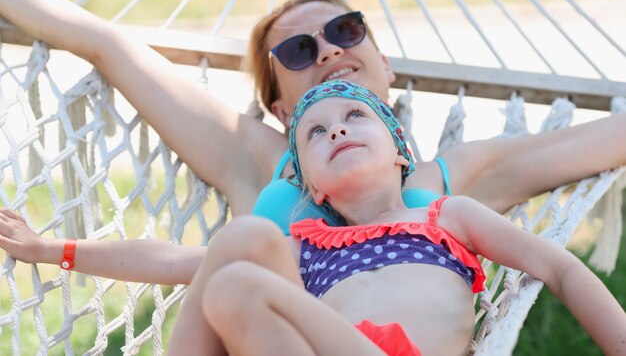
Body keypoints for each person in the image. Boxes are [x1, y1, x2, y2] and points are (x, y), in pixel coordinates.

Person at [1, 80, 624, 356]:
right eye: (317, 133)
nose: (338, 130)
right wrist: (50, 248)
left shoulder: (447, 216)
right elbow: (171, 260)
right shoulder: (304, 246)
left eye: (356, 118)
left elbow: (561, 269)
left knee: (240, 272)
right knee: (244, 243)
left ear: (401, 148)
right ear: (309, 184)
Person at [0, 0, 625, 236]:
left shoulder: (458, 178)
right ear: (277, 108)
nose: (327, 51)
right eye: (298, 51)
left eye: (346, 32)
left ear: (387, 65)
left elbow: (597, 142)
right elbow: (108, 46)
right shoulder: (253, 160)